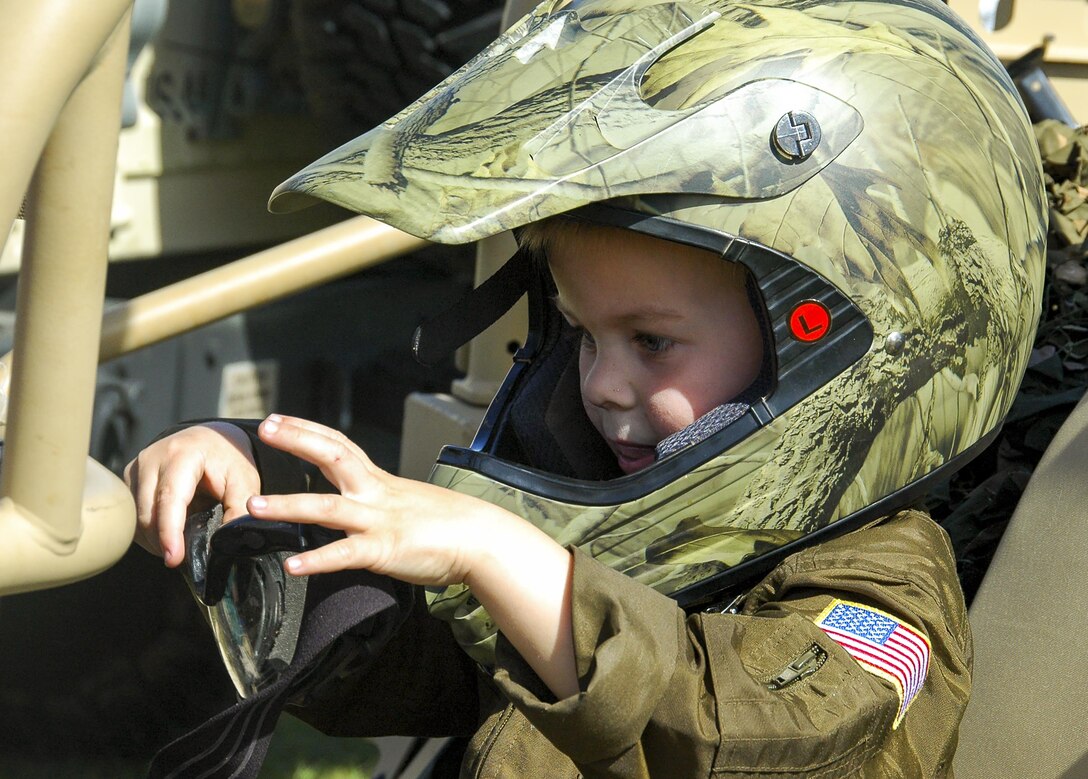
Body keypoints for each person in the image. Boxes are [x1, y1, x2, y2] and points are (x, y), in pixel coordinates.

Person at [126, 0, 1047, 776]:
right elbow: (411, 663)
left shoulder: (885, 593)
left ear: (834, 339)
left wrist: (504, 558)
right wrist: (259, 487)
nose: (602, 384)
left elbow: (745, 729)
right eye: (577, 332)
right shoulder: (607, 526)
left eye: (652, 341)